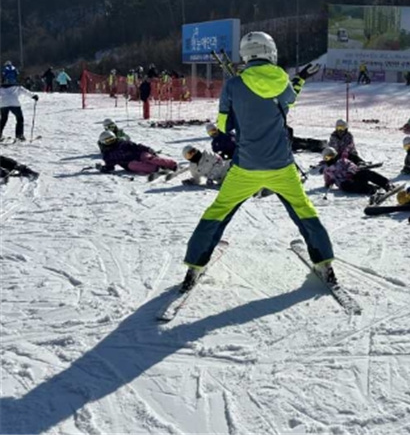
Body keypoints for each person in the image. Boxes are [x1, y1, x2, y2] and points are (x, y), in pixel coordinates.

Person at [181, 31, 336, 292]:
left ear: (246, 55)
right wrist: (301, 79)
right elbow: (289, 100)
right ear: (271, 52)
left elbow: (223, 125)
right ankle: (325, 262)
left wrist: (240, 108)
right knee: (304, 210)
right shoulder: (283, 80)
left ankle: (194, 266)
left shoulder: (233, 85)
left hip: (246, 168)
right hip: (282, 167)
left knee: (217, 212)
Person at [97, 131, 177, 174]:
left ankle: (171, 164)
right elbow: (110, 165)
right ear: (103, 142)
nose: (111, 142)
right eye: (108, 141)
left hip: (138, 154)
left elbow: (137, 146)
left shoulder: (123, 142)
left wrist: (147, 149)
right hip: (127, 163)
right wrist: (104, 168)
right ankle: (156, 168)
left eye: (112, 139)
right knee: (135, 165)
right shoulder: (108, 154)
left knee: (149, 158)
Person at [321, 147, 393, 195]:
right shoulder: (327, 170)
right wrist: (328, 183)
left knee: (366, 172)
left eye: (331, 156)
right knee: (346, 186)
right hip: (345, 183)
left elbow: (352, 166)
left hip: (353, 176)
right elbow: (327, 180)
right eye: (327, 158)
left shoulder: (343, 161)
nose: (330, 159)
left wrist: (350, 172)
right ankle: (370, 189)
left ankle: (386, 183)